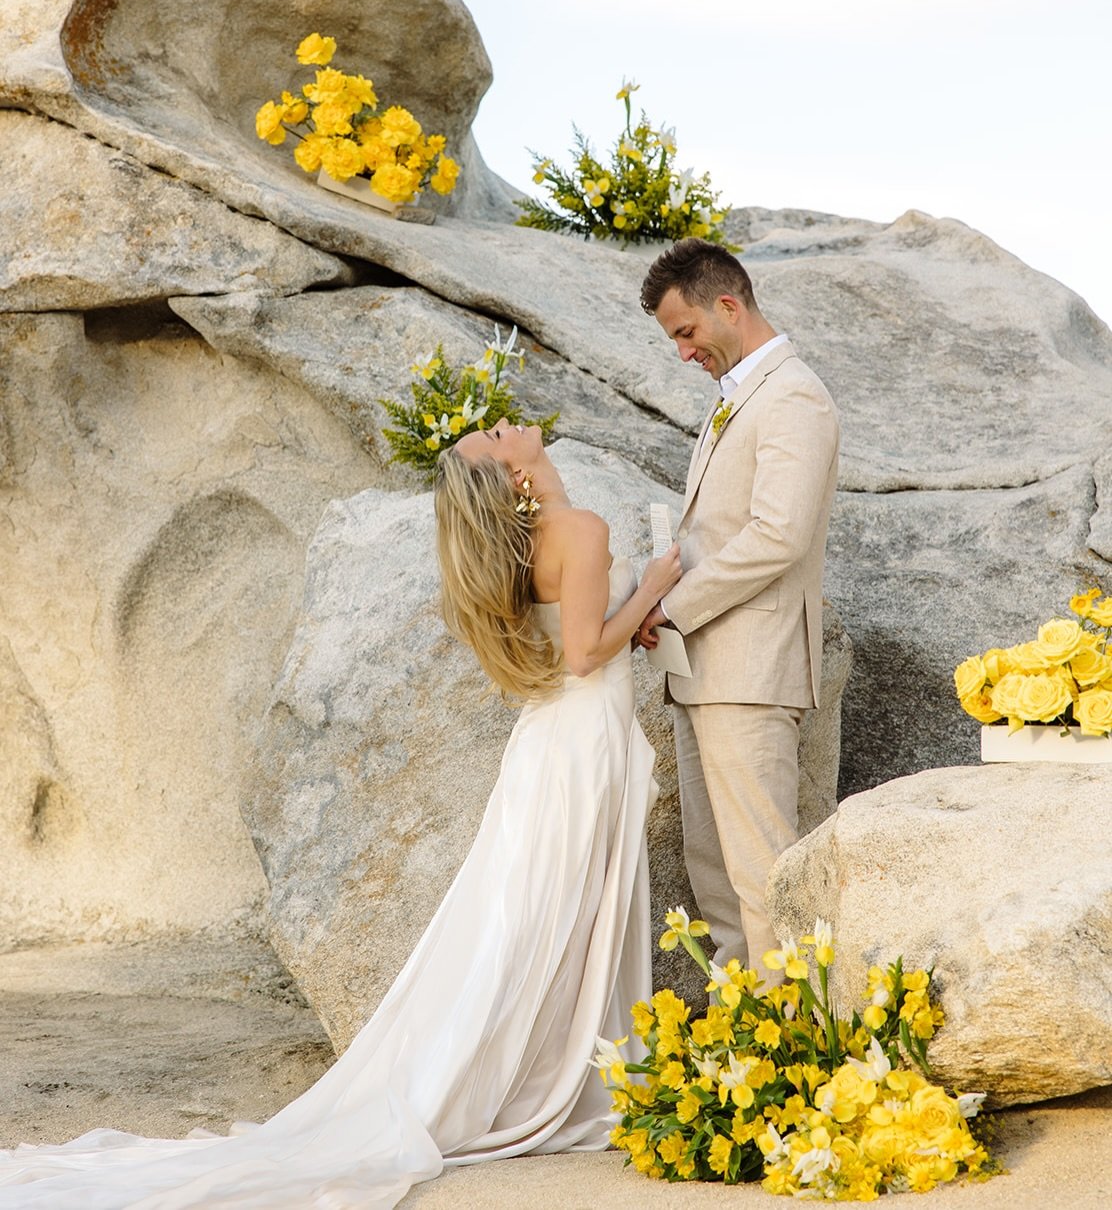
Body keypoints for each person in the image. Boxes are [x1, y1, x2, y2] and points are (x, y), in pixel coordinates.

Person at [0, 420, 680, 1210]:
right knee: (554, 915)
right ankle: (539, 1081)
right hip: (580, 744)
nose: (501, 424)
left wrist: (628, 614)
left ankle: (536, 1071)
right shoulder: (581, 530)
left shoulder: (540, 539)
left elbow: (582, 635)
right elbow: (585, 654)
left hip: (553, 743)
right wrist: (651, 587)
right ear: (510, 477)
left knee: (536, 917)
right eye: (491, 437)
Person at [637, 238, 840, 976]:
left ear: (729, 305)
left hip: (751, 672)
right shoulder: (737, 396)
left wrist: (672, 605)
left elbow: (778, 535)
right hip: (702, 671)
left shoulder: (794, 396)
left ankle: (795, 1033)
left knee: (764, 879)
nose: (683, 352)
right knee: (717, 879)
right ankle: (741, 1030)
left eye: (687, 332)